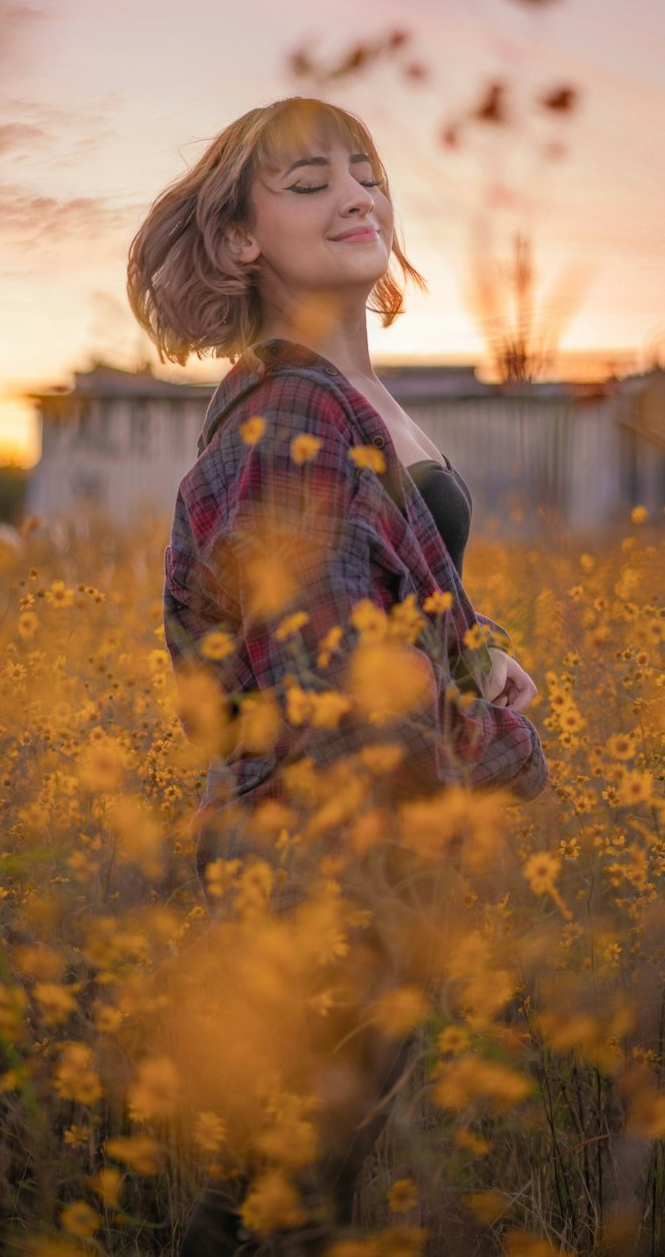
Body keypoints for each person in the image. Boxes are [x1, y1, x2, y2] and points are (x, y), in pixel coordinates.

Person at [126, 96, 548, 1253]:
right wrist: (509, 747)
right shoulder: (291, 417)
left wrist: (479, 647)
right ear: (236, 242)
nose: (358, 195)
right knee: (278, 1206)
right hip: (315, 877)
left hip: (367, 876)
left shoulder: (358, 402)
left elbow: (385, 583)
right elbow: (336, 707)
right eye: (309, 184)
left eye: (365, 173)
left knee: (287, 1195)